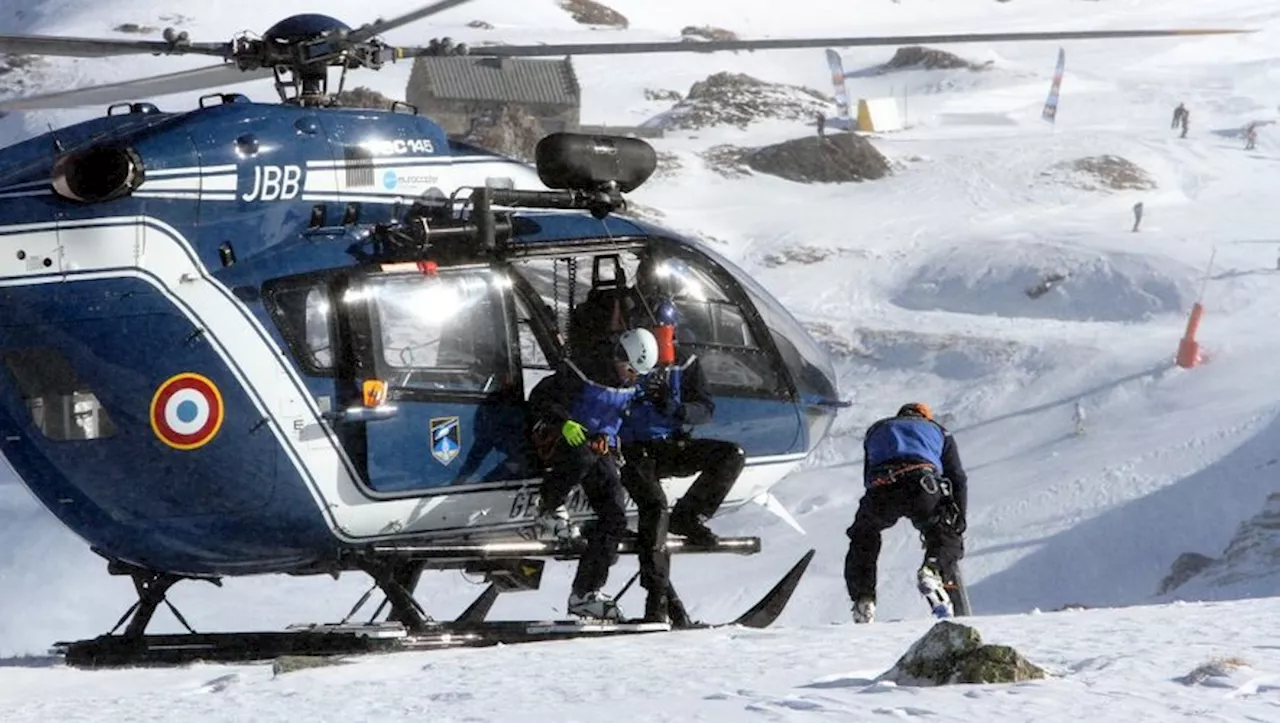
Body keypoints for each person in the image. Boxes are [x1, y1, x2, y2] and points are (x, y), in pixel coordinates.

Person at [618, 298, 745, 624]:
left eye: (665, 333)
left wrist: (677, 410)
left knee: (731, 455)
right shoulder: (620, 359)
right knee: (654, 508)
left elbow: (705, 408)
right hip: (632, 450)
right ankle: (655, 599)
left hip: (671, 445)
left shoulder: (684, 363)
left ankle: (690, 516)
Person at [528, 327, 659, 620]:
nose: (632, 377)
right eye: (629, 369)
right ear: (618, 357)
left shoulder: (633, 385)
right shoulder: (582, 372)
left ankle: (585, 593)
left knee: (614, 516)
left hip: (597, 444)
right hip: (557, 435)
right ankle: (548, 507)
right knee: (581, 456)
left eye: (638, 373)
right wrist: (563, 421)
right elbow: (540, 398)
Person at [844, 402, 968, 624]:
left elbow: (868, 476)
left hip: (882, 487)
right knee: (944, 535)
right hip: (922, 486)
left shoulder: (877, 429)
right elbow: (957, 477)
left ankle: (863, 598)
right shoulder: (938, 430)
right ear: (924, 416)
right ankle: (933, 569)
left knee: (864, 535)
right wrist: (959, 519)